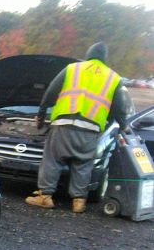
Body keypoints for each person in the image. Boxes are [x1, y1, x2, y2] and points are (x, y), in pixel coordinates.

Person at [25, 42, 132, 213]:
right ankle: (78, 201)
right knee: (83, 164)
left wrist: (41, 113)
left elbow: (51, 92)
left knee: (52, 160)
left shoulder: (72, 69)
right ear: (105, 59)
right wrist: (124, 126)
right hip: (90, 129)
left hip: (63, 125)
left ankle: (45, 197)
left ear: (88, 53)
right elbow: (119, 107)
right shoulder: (113, 78)